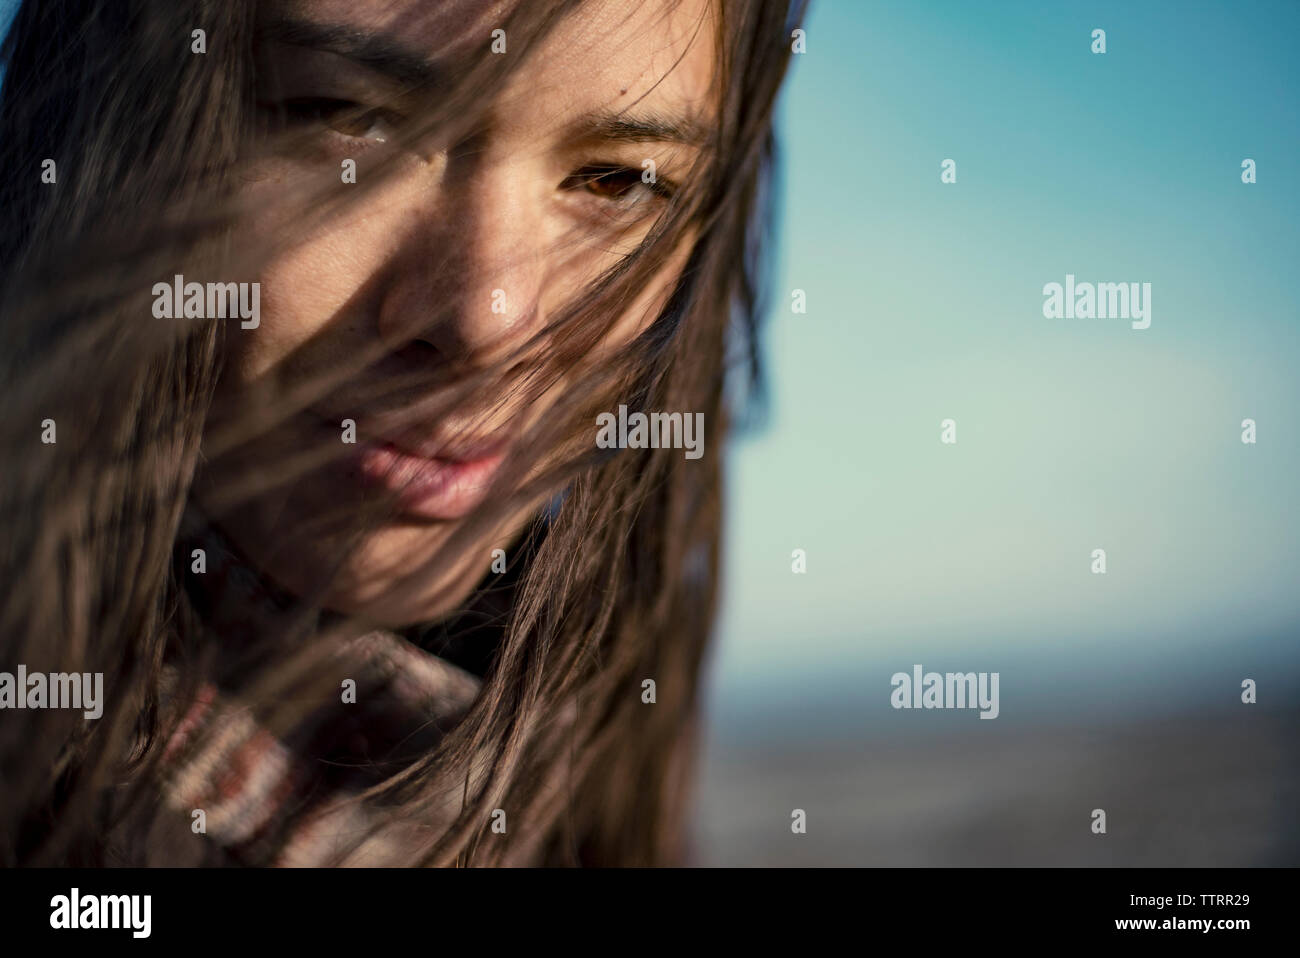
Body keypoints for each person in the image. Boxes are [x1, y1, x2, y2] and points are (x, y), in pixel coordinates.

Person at [0, 0, 802, 865]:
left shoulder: (578, 767)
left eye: (616, 179)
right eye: (353, 122)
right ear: (118, 119)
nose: (488, 316)